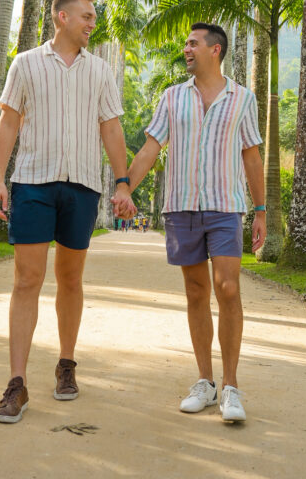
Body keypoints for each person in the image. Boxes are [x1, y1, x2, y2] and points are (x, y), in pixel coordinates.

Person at [0, 0, 135, 423]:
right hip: (32, 182)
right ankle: (17, 383)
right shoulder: (26, 63)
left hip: (84, 187)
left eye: (94, 17)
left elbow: (111, 129)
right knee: (26, 280)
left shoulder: (101, 72)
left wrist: (123, 183)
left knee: (70, 279)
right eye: (86, 16)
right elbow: (9, 121)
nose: (93, 23)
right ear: (61, 17)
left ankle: (66, 364)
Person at [115, 22, 266, 424]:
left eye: (193, 43)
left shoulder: (242, 99)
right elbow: (151, 147)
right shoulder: (171, 97)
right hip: (181, 207)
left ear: (215, 50)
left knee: (228, 288)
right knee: (197, 293)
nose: (186, 48)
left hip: (224, 206)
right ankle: (206, 382)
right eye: (185, 43)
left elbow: (251, 156)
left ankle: (231, 386)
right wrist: (126, 187)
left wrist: (261, 210)